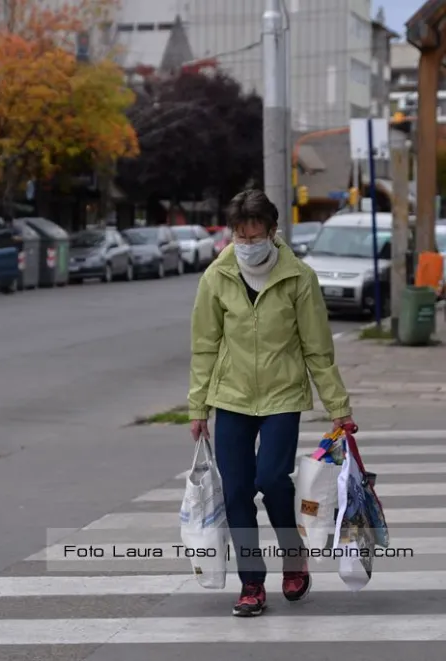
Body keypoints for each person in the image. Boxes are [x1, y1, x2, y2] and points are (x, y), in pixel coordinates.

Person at [187, 189, 355, 617]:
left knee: (272, 478)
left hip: (282, 395)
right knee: (238, 489)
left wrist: (338, 406)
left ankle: (294, 556)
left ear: (272, 231)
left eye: (255, 235)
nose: (247, 244)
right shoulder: (216, 277)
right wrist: (198, 407)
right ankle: (251, 582)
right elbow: (205, 346)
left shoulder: (298, 277)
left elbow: (317, 347)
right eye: (240, 237)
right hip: (232, 396)